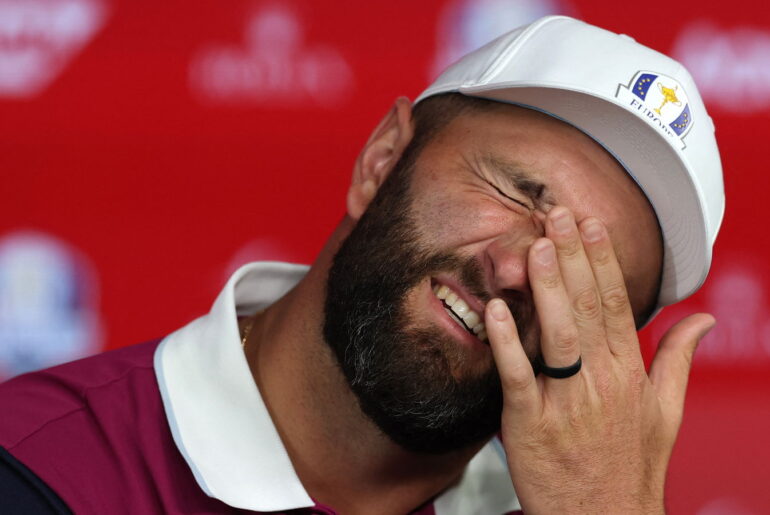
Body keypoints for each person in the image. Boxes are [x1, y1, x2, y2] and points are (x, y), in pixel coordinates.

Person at [0, 15, 724, 514]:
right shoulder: (38, 466)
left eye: (581, 271)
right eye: (510, 191)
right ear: (383, 160)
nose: (513, 268)